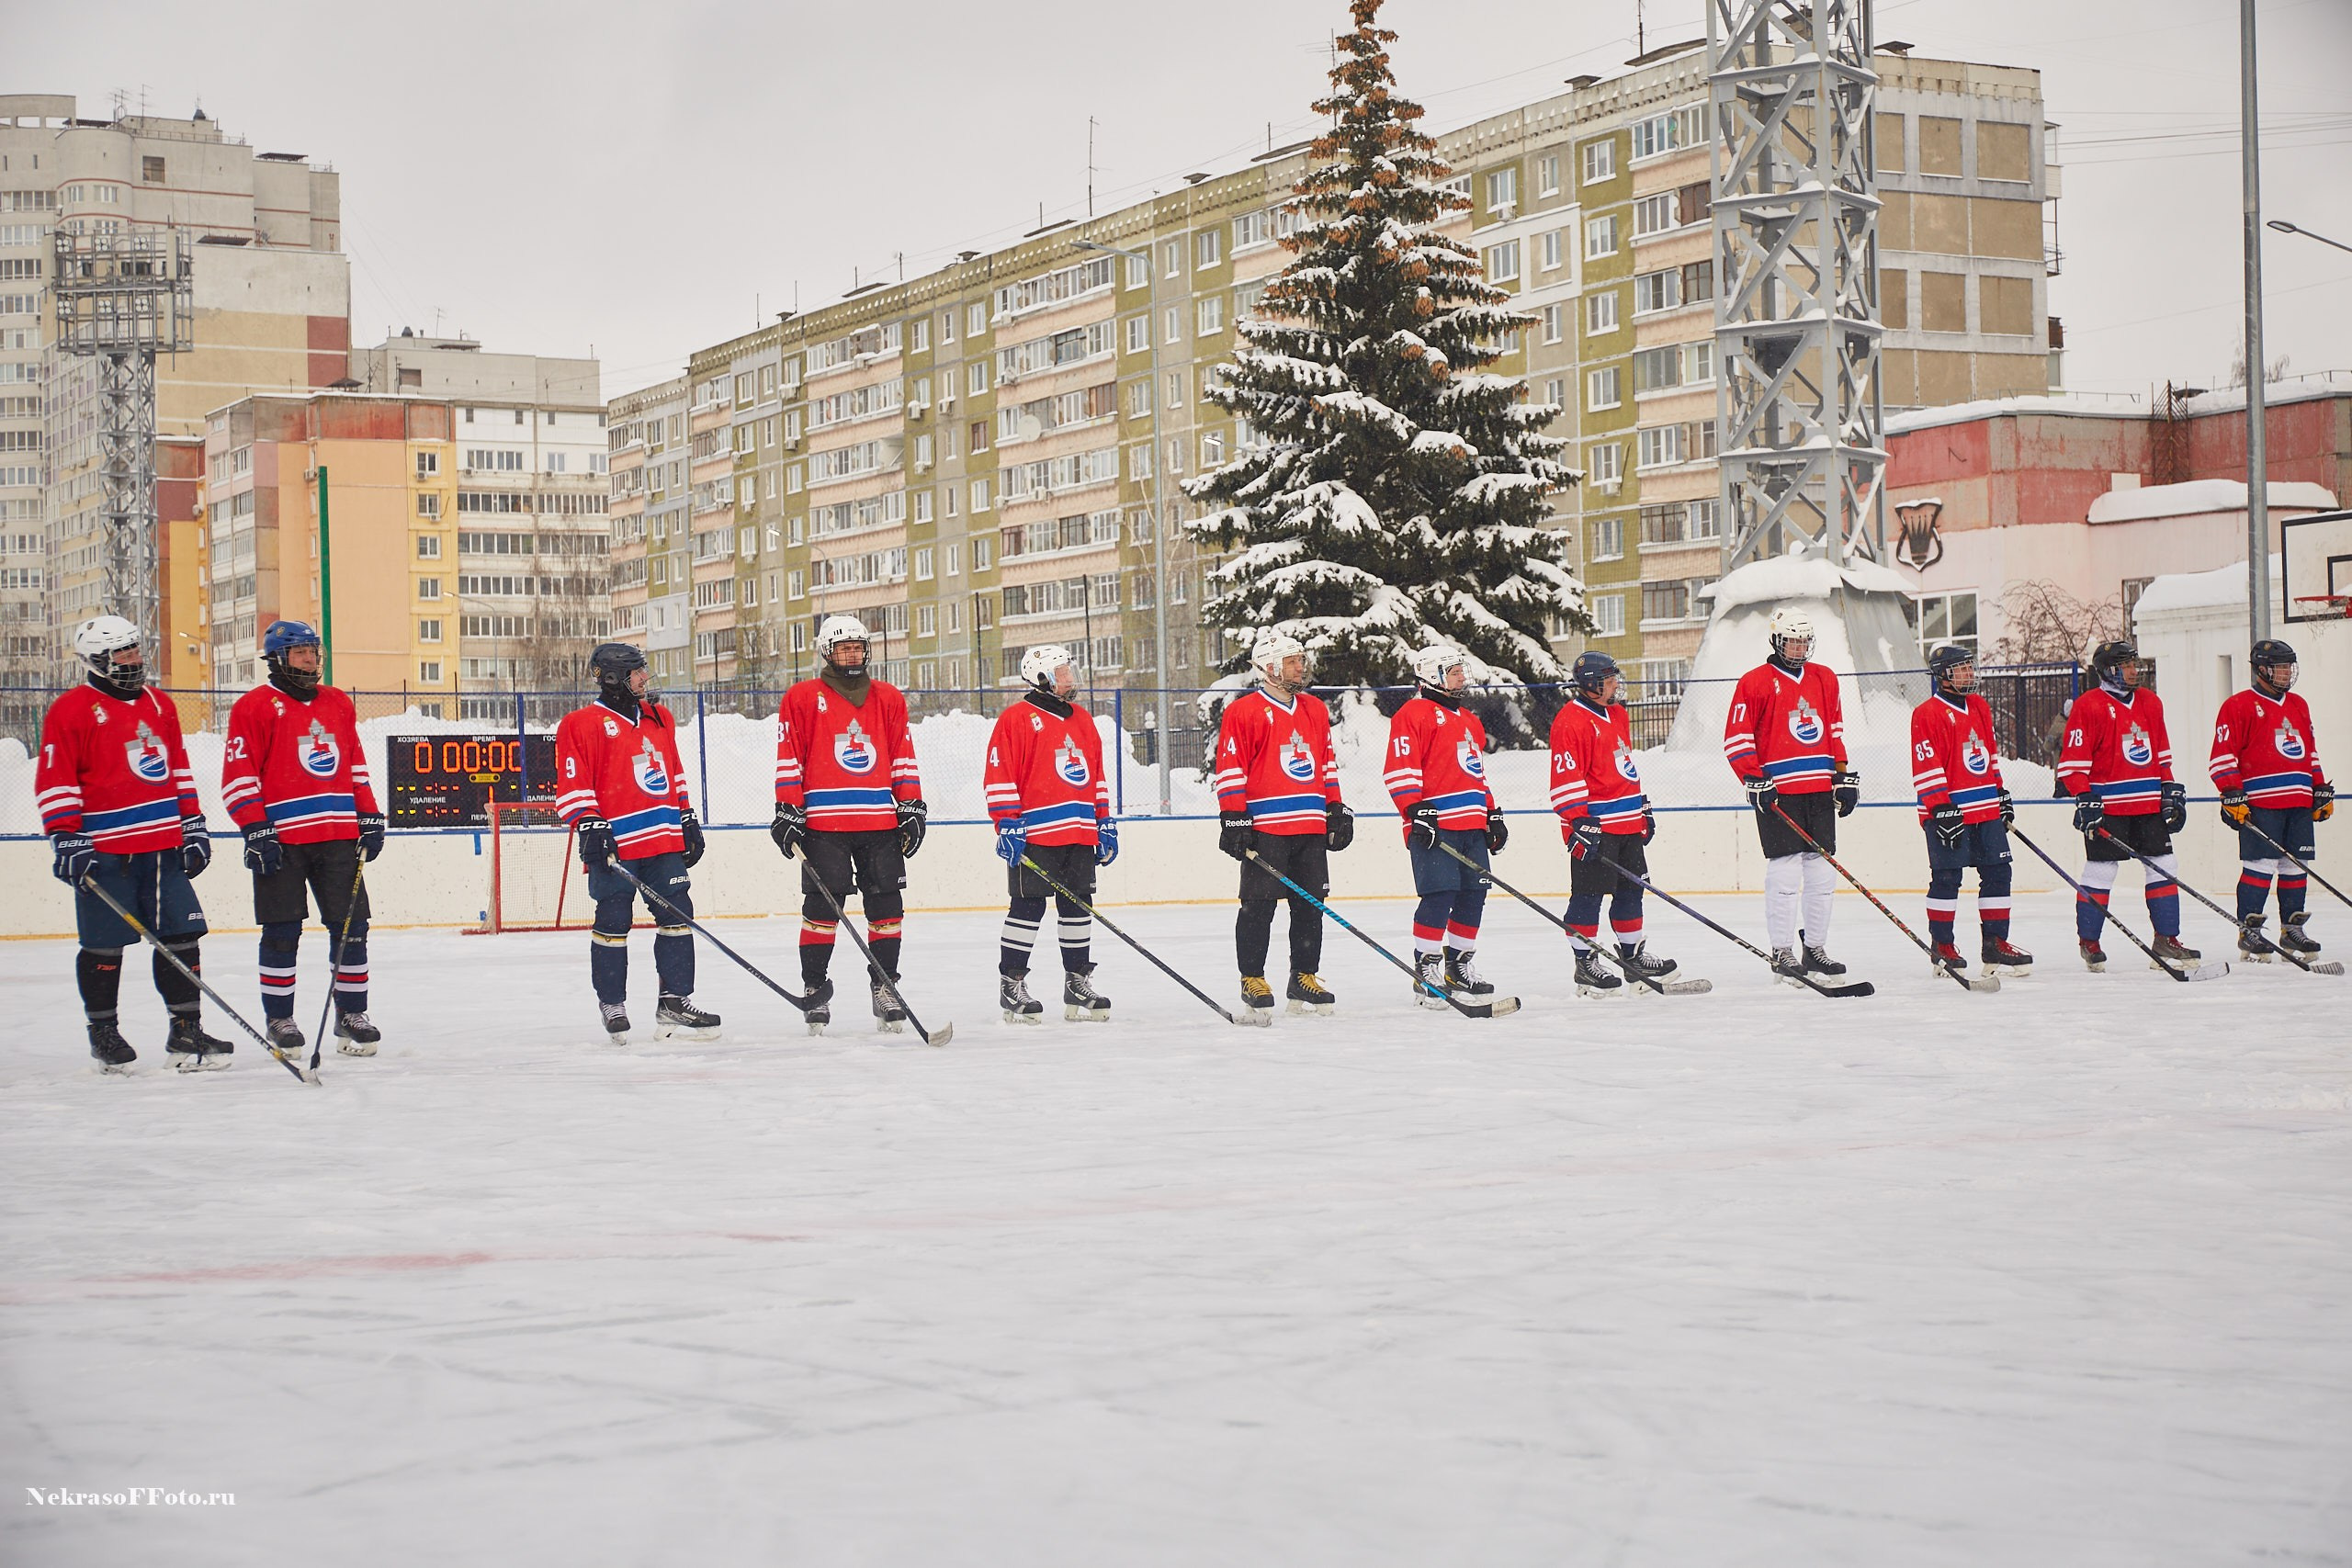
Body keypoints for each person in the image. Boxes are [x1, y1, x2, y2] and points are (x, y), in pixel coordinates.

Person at [36, 615, 230, 1072]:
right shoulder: (71, 710)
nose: (132, 661)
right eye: (120, 654)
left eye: (135, 651)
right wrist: (66, 836)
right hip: (105, 853)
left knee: (184, 936)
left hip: (163, 848)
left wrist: (193, 824)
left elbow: (178, 770)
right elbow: (55, 780)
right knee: (104, 945)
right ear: (95, 661)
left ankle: (185, 1031)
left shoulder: (160, 705)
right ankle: (103, 1031)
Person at [221, 620, 387, 1057]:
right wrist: (254, 828)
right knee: (282, 931)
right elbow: (238, 778)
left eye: (315, 652)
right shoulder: (253, 708)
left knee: (352, 928)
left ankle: (351, 1015)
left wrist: (368, 815)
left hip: (337, 837)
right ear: (277, 659)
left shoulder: (337, 703)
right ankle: (280, 1017)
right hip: (281, 840)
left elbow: (354, 766)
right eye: (300, 653)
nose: (311, 660)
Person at [553, 641, 720, 1041]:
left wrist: (687, 816)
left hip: (662, 841)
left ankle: (674, 1002)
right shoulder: (580, 724)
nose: (645, 678)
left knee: (678, 916)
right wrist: (590, 824)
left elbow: (674, 773)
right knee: (613, 920)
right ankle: (612, 1002)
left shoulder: (659, 718)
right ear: (613, 679)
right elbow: (572, 786)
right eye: (637, 672)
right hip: (616, 846)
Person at [770, 614, 926, 1032]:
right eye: (843, 648)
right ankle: (814, 989)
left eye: (858, 647)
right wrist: (788, 808)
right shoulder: (802, 698)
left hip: (879, 824)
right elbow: (790, 758)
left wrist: (912, 805)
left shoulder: (889, 698)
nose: (852, 654)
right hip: (823, 825)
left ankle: (885, 987)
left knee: (887, 909)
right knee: (822, 910)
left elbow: (902, 757)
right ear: (827, 652)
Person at [1213, 632, 1352, 1015]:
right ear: (1270, 667)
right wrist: (1234, 817)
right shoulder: (1243, 711)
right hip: (1266, 827)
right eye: (1292, 661)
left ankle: (1303, 977)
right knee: (1258, 906)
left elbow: (1326, 764)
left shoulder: (1314, 709)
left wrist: (1335, 808)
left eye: (1300, 660)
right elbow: (1230, 768)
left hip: (1309, 825)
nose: (1300, 666)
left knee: (1311, 904)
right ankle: (1252, 977)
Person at [1723, 606, 1859, 983]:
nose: (1798, 648)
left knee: (1821, 875)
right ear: (1777, 640)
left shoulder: (1825, 678)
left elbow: (1834, 733)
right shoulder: (1755, 682)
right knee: (1784, 873)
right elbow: (1736, 740)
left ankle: (1814, 949)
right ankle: (1781, 951)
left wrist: (1842, 776)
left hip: (1818, 792)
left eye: (1803, 641)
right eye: (1791, 641)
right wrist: (1754, 779)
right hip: (1779, 794)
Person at [984, 645, 1114, 1023]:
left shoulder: (1083, 721)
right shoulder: (1016, 719)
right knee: (1028, 907)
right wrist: (1007, 823)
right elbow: (999, 775)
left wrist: (1103, 822)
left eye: (1070, 670)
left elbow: (1097, 778)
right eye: (1062, 672)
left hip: (1079, 832)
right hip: (1035, 834)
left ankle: (1077, 980)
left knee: (1077, 907)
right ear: (1041, 677)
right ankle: (1012, 983)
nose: (1070, 677)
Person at [2055, 637, 2198, 970]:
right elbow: (2072, 765)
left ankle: (2166, 939)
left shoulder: (2150, 702)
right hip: (2108, 807)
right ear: (2108, 670)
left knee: (2164, 865)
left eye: (2135, 664)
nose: (2135, 670)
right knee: (2102, 871)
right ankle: (2089, 942)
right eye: (2127, 665)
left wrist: (2168, 790)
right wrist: (2084, 797)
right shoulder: (2088, 705)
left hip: (2147, 806)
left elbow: (2162, 757)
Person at [1548, 650, 1678, 997]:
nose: (1616, 684)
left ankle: (1632, 957)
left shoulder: (1617, 714)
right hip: (1596, 827)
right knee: (1588, 896)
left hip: (1626, 823)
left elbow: (1624, 769)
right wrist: (1578, 820)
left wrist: (1641, 806)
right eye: (1609, 679)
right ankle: (1585, 963)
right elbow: (1564, 777)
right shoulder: (1570, 720)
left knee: (1631, 890)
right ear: (1591, 684)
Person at [1385, 643, 1504, 1006]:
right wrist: (1415, 810)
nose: (1461, 677)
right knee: (1440, 896)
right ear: (1431, 675)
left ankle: (1459, 966)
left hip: (1471, 826)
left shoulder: (1468, 719)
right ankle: (1427, 969)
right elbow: (1399, 769)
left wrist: (1491, 812)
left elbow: (1475, 774)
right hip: (1436, 826)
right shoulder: (1413, 714)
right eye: (1452, 671)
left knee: (1474, 895)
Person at [1910, 642, 2031, 978]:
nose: (1969, 673)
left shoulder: (1979, 706)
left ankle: (1995, 944)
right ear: (1943, 675)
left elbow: (1989, 757)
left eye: (1969, 667)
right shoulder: (1926, 713)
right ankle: (1942, 947)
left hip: (1985, 811)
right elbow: (1926, 765)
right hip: (1948, 813)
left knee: (1998, 874)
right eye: (1961, 668)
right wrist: (1940, 808)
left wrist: (2000, 792)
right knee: (1948, 878)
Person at [2210, 637, 2331, 961]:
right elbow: (2221, 757)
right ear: (2262, 669)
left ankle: (2292, 931)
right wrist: (2232, 793)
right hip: (2261, 803)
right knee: (2260, 866)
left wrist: (2318, 787)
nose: (2287, 673)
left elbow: (2310, 752)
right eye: (2281, 667)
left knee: (2296, 866)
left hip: (2298, 802)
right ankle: (2249, 931)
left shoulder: (2299, 705)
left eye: (2289, 666)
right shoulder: (2237, 705)